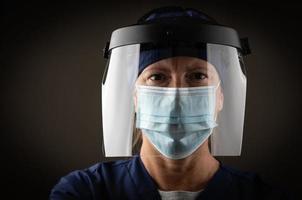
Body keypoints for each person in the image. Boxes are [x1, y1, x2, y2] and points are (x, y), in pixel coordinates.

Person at [50, 6, 291, 200]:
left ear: (220, 97)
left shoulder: (263, 195)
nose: (177, 96)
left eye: (197, 76)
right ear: (135, 97)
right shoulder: (85, 191)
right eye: (157, 77)